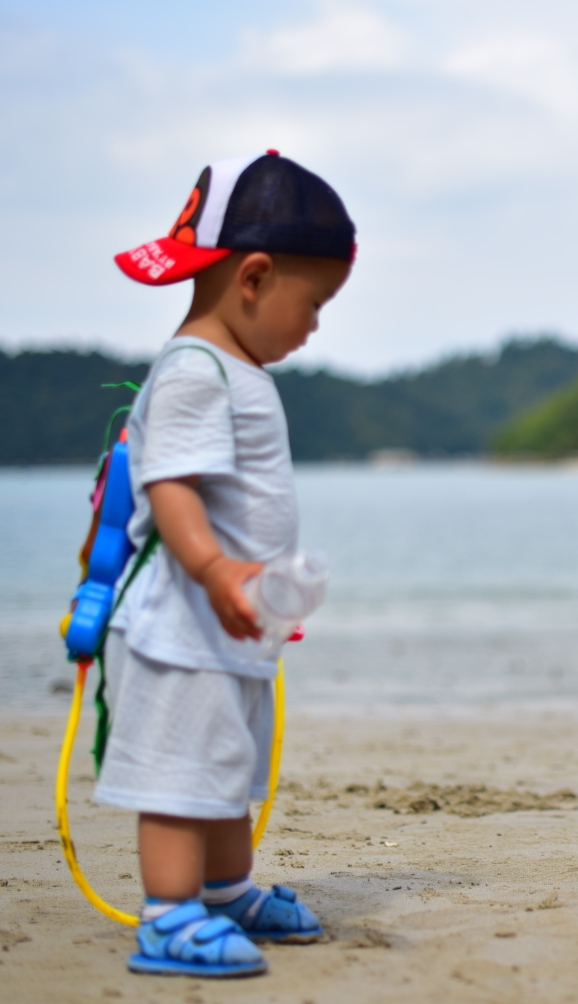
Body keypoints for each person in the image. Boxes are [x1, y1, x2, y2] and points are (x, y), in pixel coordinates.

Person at [92, 151, 355, 977]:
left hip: (232, 623)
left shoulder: (233, 367)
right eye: (312, 305)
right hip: (184, 624)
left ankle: (227, 888)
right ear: (254, 276)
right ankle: (170, 913)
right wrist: (214, 570)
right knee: (181, 771)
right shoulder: (196, 372)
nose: (313, 326)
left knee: (225, 765)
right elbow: (171, 489)